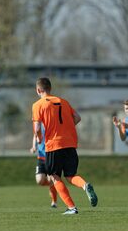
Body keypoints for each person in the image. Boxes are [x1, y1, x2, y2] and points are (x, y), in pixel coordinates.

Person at [32, 77, 98, 215]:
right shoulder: (63, 102)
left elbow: (37, 126)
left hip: (53, 145)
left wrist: (39, 138)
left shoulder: (38, 105)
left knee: (55, 176)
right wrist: (66, 129)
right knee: (71, 175)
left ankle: (72, 207)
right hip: (70, 143)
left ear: (38, 90)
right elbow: (78, 117)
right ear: (50, 88)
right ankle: (85, 185)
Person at [30, 130, 58, 208]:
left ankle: (54, 201)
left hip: (51, 156)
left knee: (51, 179)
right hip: (41, 157)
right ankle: (52, 185)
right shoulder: (39, 123)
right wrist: (34, 146)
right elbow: (35, 135)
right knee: (39, 180)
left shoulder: (52, 123)